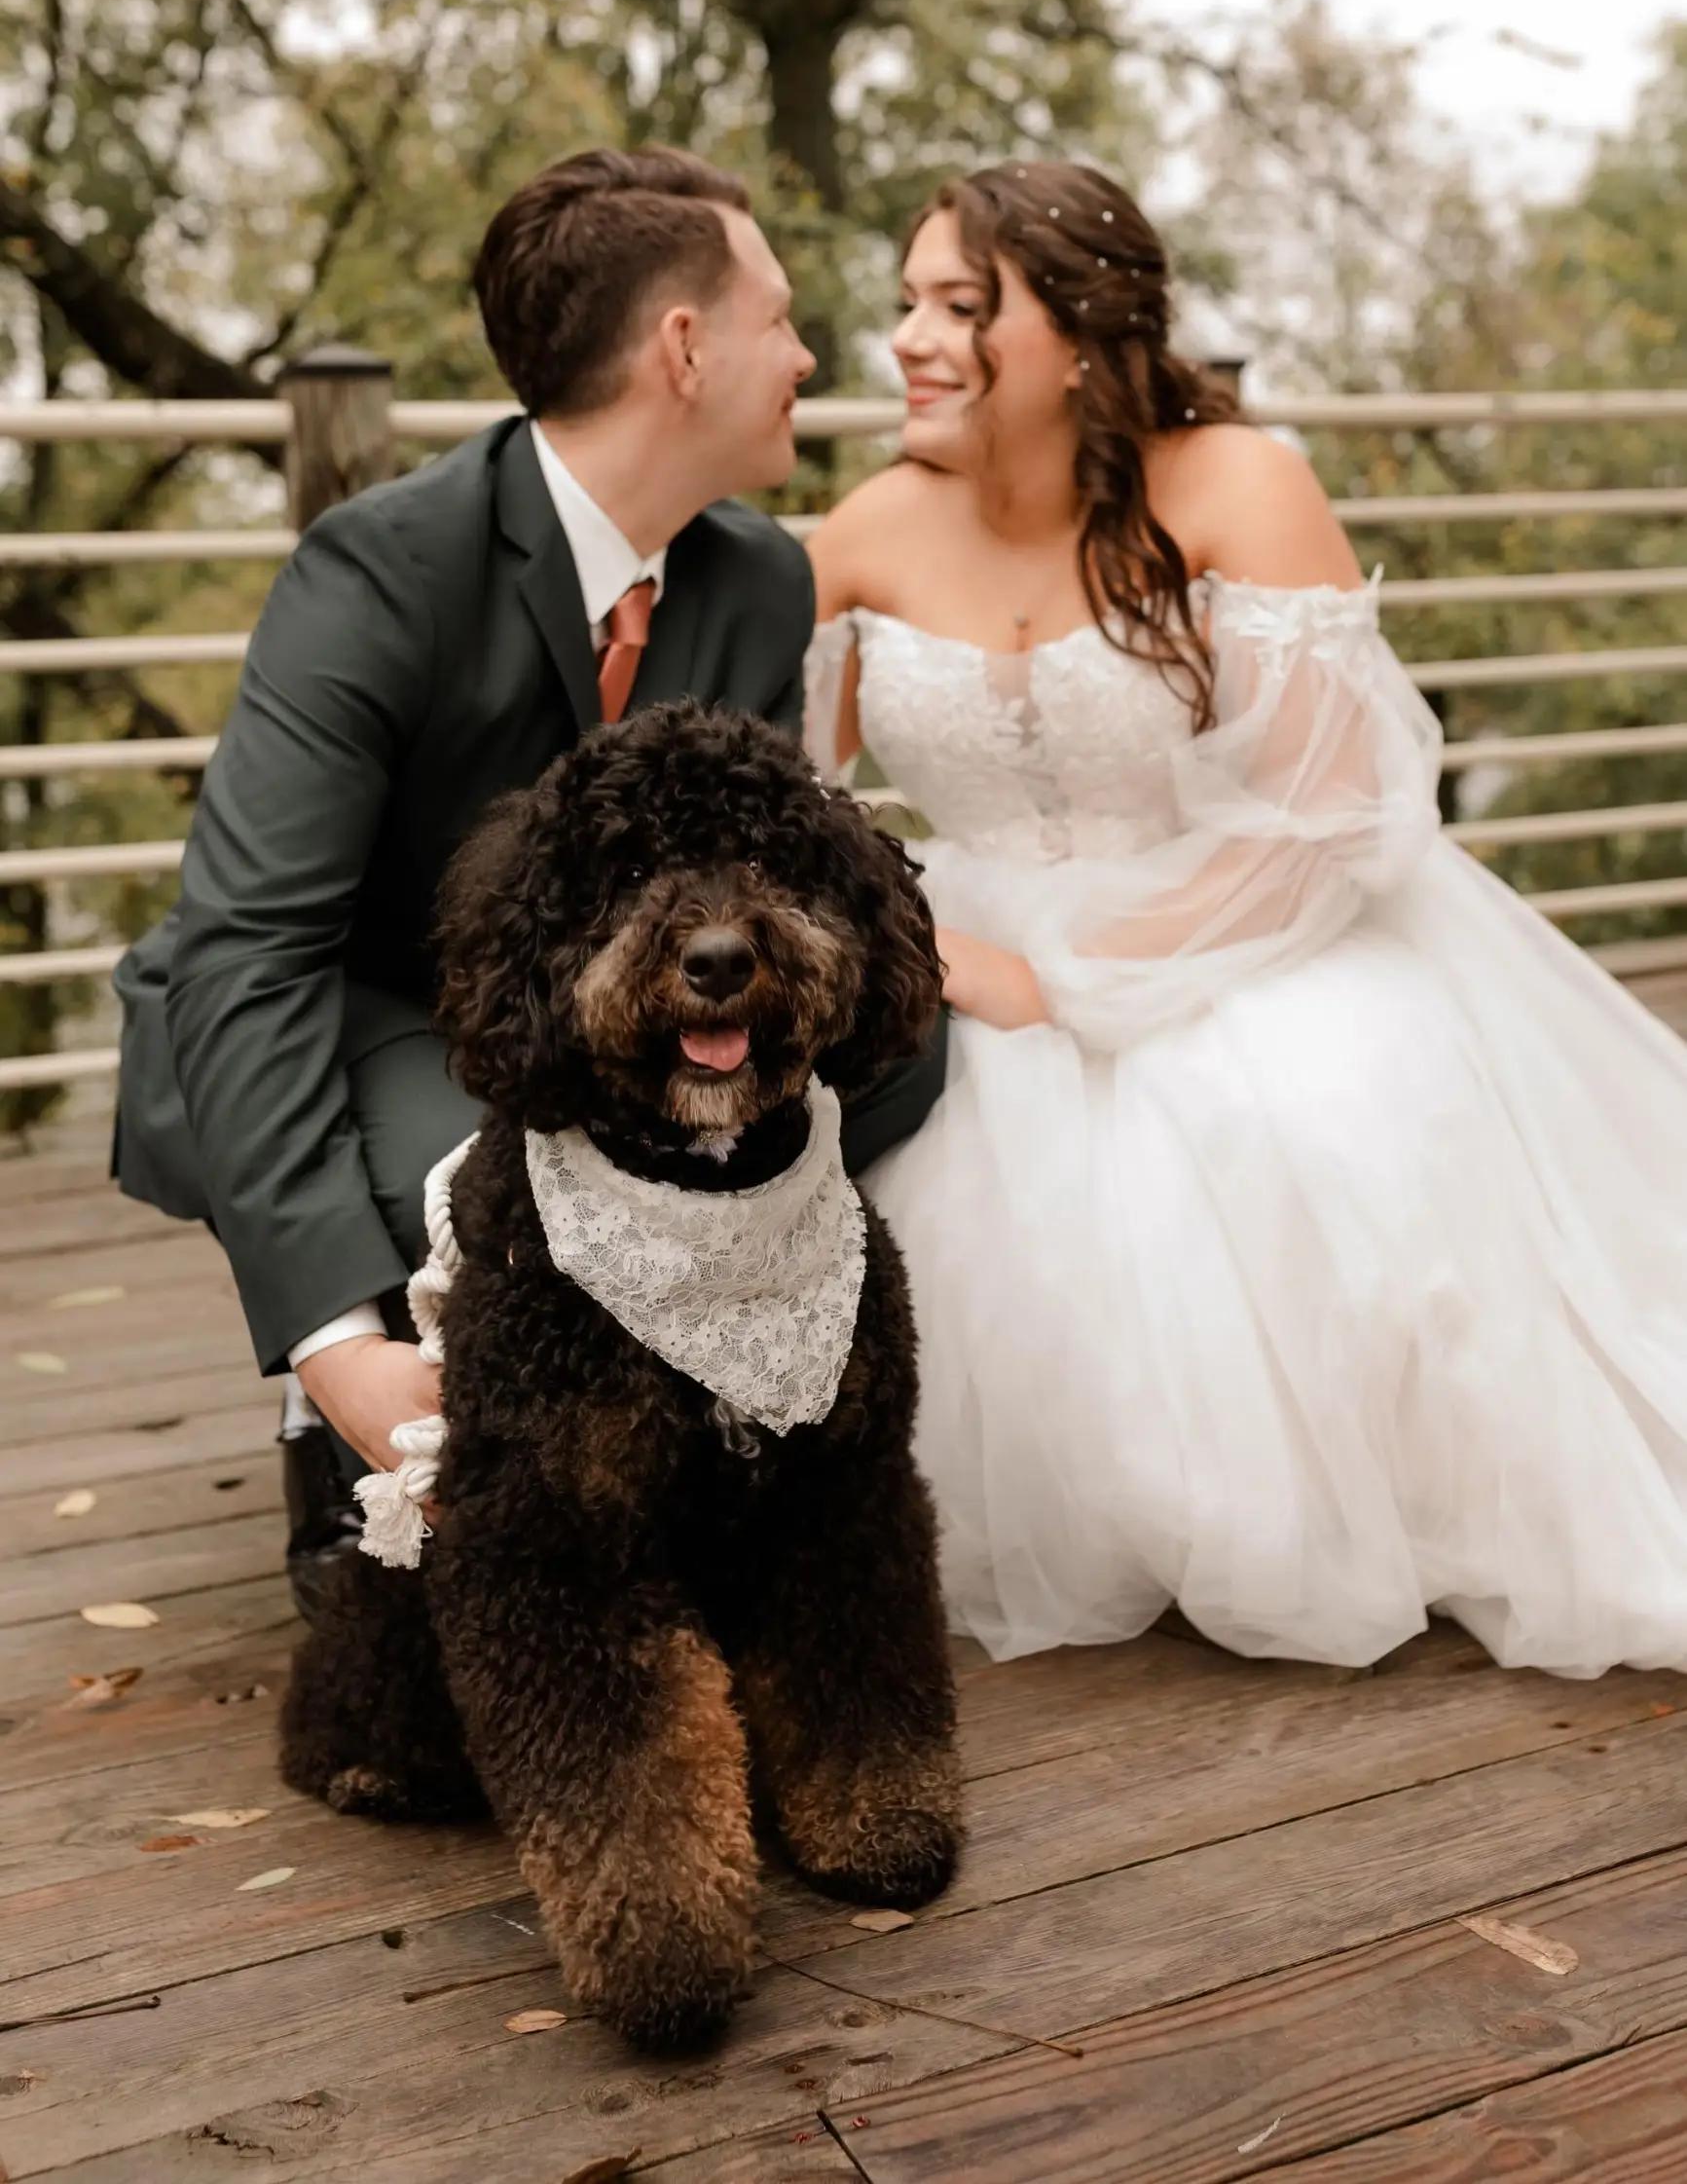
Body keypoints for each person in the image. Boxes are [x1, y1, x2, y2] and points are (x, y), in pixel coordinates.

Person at [806, 155, 1687, 1677]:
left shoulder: (1237, 484)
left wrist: (1065, 977)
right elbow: (776, 807)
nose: (909, 339)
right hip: (958, 942)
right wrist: (922, 950)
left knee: (1308, 1135)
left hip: (1250, 924)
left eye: (960, 304)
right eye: (906, 305)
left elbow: (1332, 822)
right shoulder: (863, 527)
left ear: (1077, 331)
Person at [113, 145, 946, 1618]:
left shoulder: (755, 579)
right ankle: (345, 1451)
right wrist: (333, 1346)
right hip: (357, 1006)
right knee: (475, 1171)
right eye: (782, 315)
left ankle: (704, 1415)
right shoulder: (376, 571)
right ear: (683, 348)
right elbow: (249, 952)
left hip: (607, 1010)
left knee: (899, 1066)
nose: (813, 355)